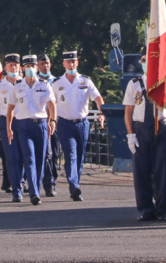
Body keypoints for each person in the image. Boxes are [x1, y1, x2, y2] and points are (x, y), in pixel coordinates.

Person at [123, 47, 166, 221]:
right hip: (141, 128)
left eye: (149, 61)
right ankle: (146, 209)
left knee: (162, 170)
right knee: (141, 171)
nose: (145, 64)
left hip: (161, 126)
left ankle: (161, 209)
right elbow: (128, 111)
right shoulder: (135, 84)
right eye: (143, 61)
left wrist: (162, 89)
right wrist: (130, 134)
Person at [51, 50, 105, 202]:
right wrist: (52, 120)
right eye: (68, 62)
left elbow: (98, 98)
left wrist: (102, 113)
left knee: (80, 156)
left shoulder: (85, 81)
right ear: (63, 64)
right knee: (71, 155)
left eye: (73, 62)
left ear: (77, 63)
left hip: (82, 123)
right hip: (65, 124)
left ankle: (76, 184)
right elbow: (51, 104)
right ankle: (74, 186)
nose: (71, 64)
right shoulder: (57, 84)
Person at [9, 54, 57, 206]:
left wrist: (53, 121)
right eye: (27, 66)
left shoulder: (44, 85)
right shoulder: (17, 86)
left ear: (37, 68)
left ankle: (35, 186)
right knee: (29, 159)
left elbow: (51, 105)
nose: (30, 69)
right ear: (23, 68)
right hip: (24, 125)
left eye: (33, 66)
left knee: (40, 160)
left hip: (41, 124)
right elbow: (10, 109)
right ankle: (34, 192)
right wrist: (9, 127)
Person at [0, 53, 24, 201]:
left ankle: (20, 183)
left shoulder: (25, 83)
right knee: (11, 157)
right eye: (10, 65)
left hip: (23, 121)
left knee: (23, 156)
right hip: (5, 123)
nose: (13, 67)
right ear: (5, 67)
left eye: (15, 65)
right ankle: (16, 189)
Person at [36, 53, 59, 197]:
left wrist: (53, 120)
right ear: (38, 65)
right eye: (42, 63)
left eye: (47, 63)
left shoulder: (57, 81)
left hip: (54, 122)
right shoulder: (33, 81)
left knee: (54, 154)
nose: (45, 66)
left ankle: (52, 182)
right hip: (39, 122)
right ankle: (45, 183)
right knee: (43, 154)